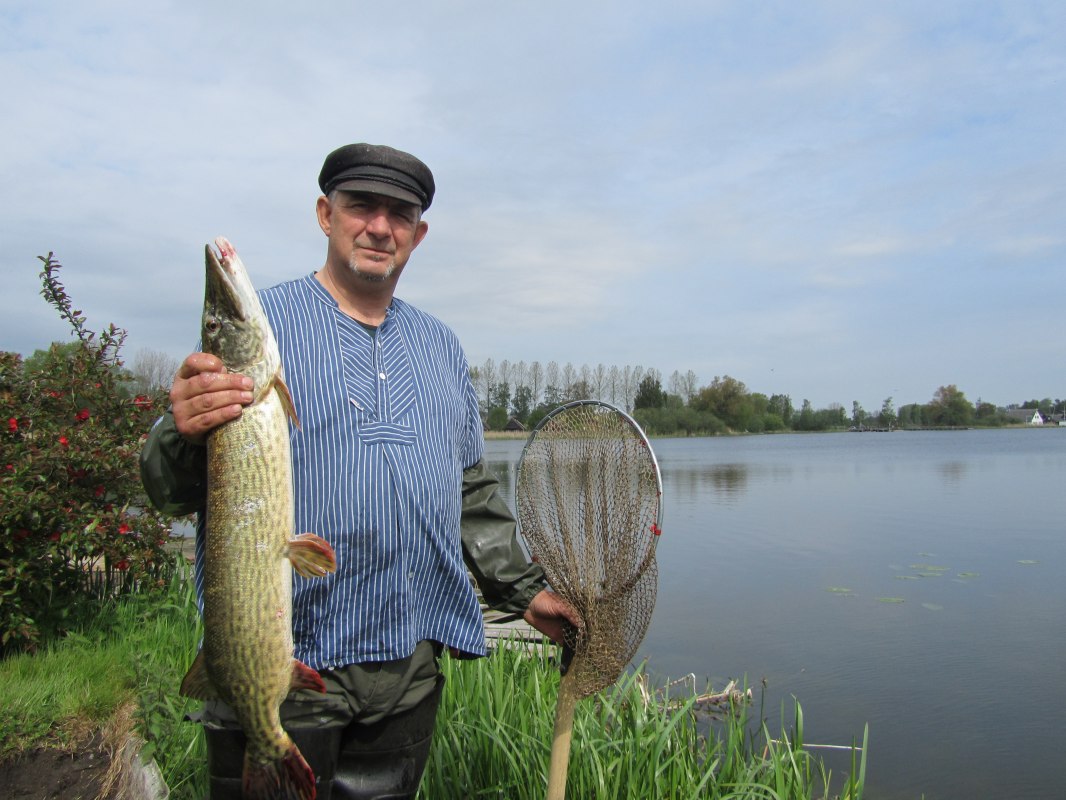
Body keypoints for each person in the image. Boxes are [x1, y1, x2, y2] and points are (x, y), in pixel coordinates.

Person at [140, 143, 578, 799]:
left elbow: (468, 489)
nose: (379, 226)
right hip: (283, 669)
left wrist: (523, 592)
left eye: (399, 213)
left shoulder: (441, 346)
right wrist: (181, 429)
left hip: (407, 671)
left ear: (418, 234)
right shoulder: (262, 329)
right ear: (325, 214)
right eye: (360, 206)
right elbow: (167, 487)